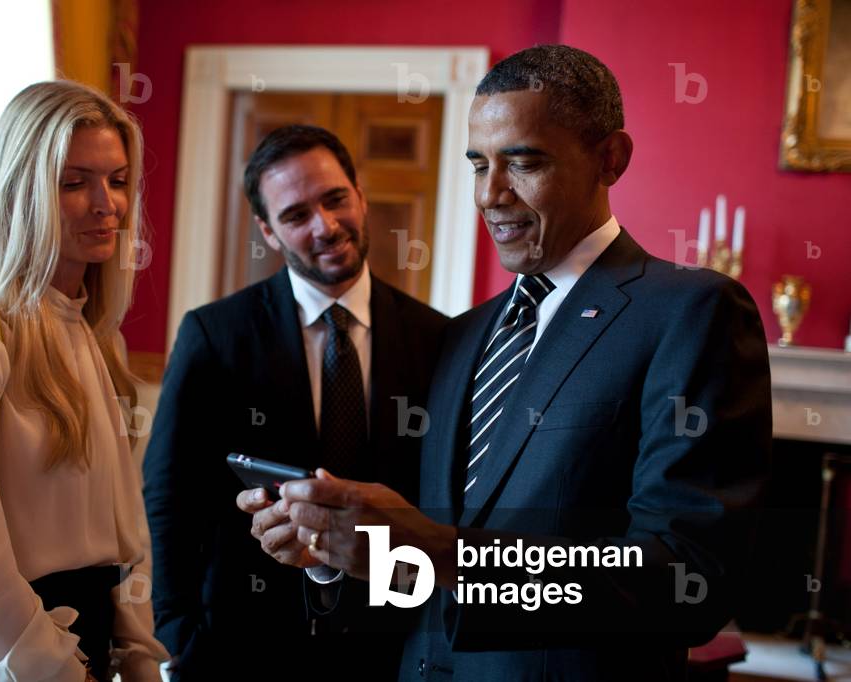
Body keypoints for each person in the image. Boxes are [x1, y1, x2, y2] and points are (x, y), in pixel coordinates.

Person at [274, 45, 771, 681]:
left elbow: (684, 579)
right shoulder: (463, 335)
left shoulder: (691, 312)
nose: (490, 194)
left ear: (610, 159)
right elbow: (424, 582)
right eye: (479, 164)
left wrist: (449, 556)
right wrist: (339, 551)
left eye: (524, 162)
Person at [143, 124, 447, 680]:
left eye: (335, 200)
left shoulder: (439, 339)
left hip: (394, 644)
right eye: (296, 215)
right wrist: (178, 639)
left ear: (360, 194)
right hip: (244, 645)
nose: (325, 227)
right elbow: (170, 496)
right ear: (268, 230)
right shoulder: (214, 335)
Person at [0, 80, 169, 681]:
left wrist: (134, 652)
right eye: (74, 183)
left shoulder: (101, 338)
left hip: (92, 650)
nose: (107, 204)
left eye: (119, 180)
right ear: (23, 191)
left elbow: (127, 535)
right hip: (8, 659)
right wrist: (57, 670)